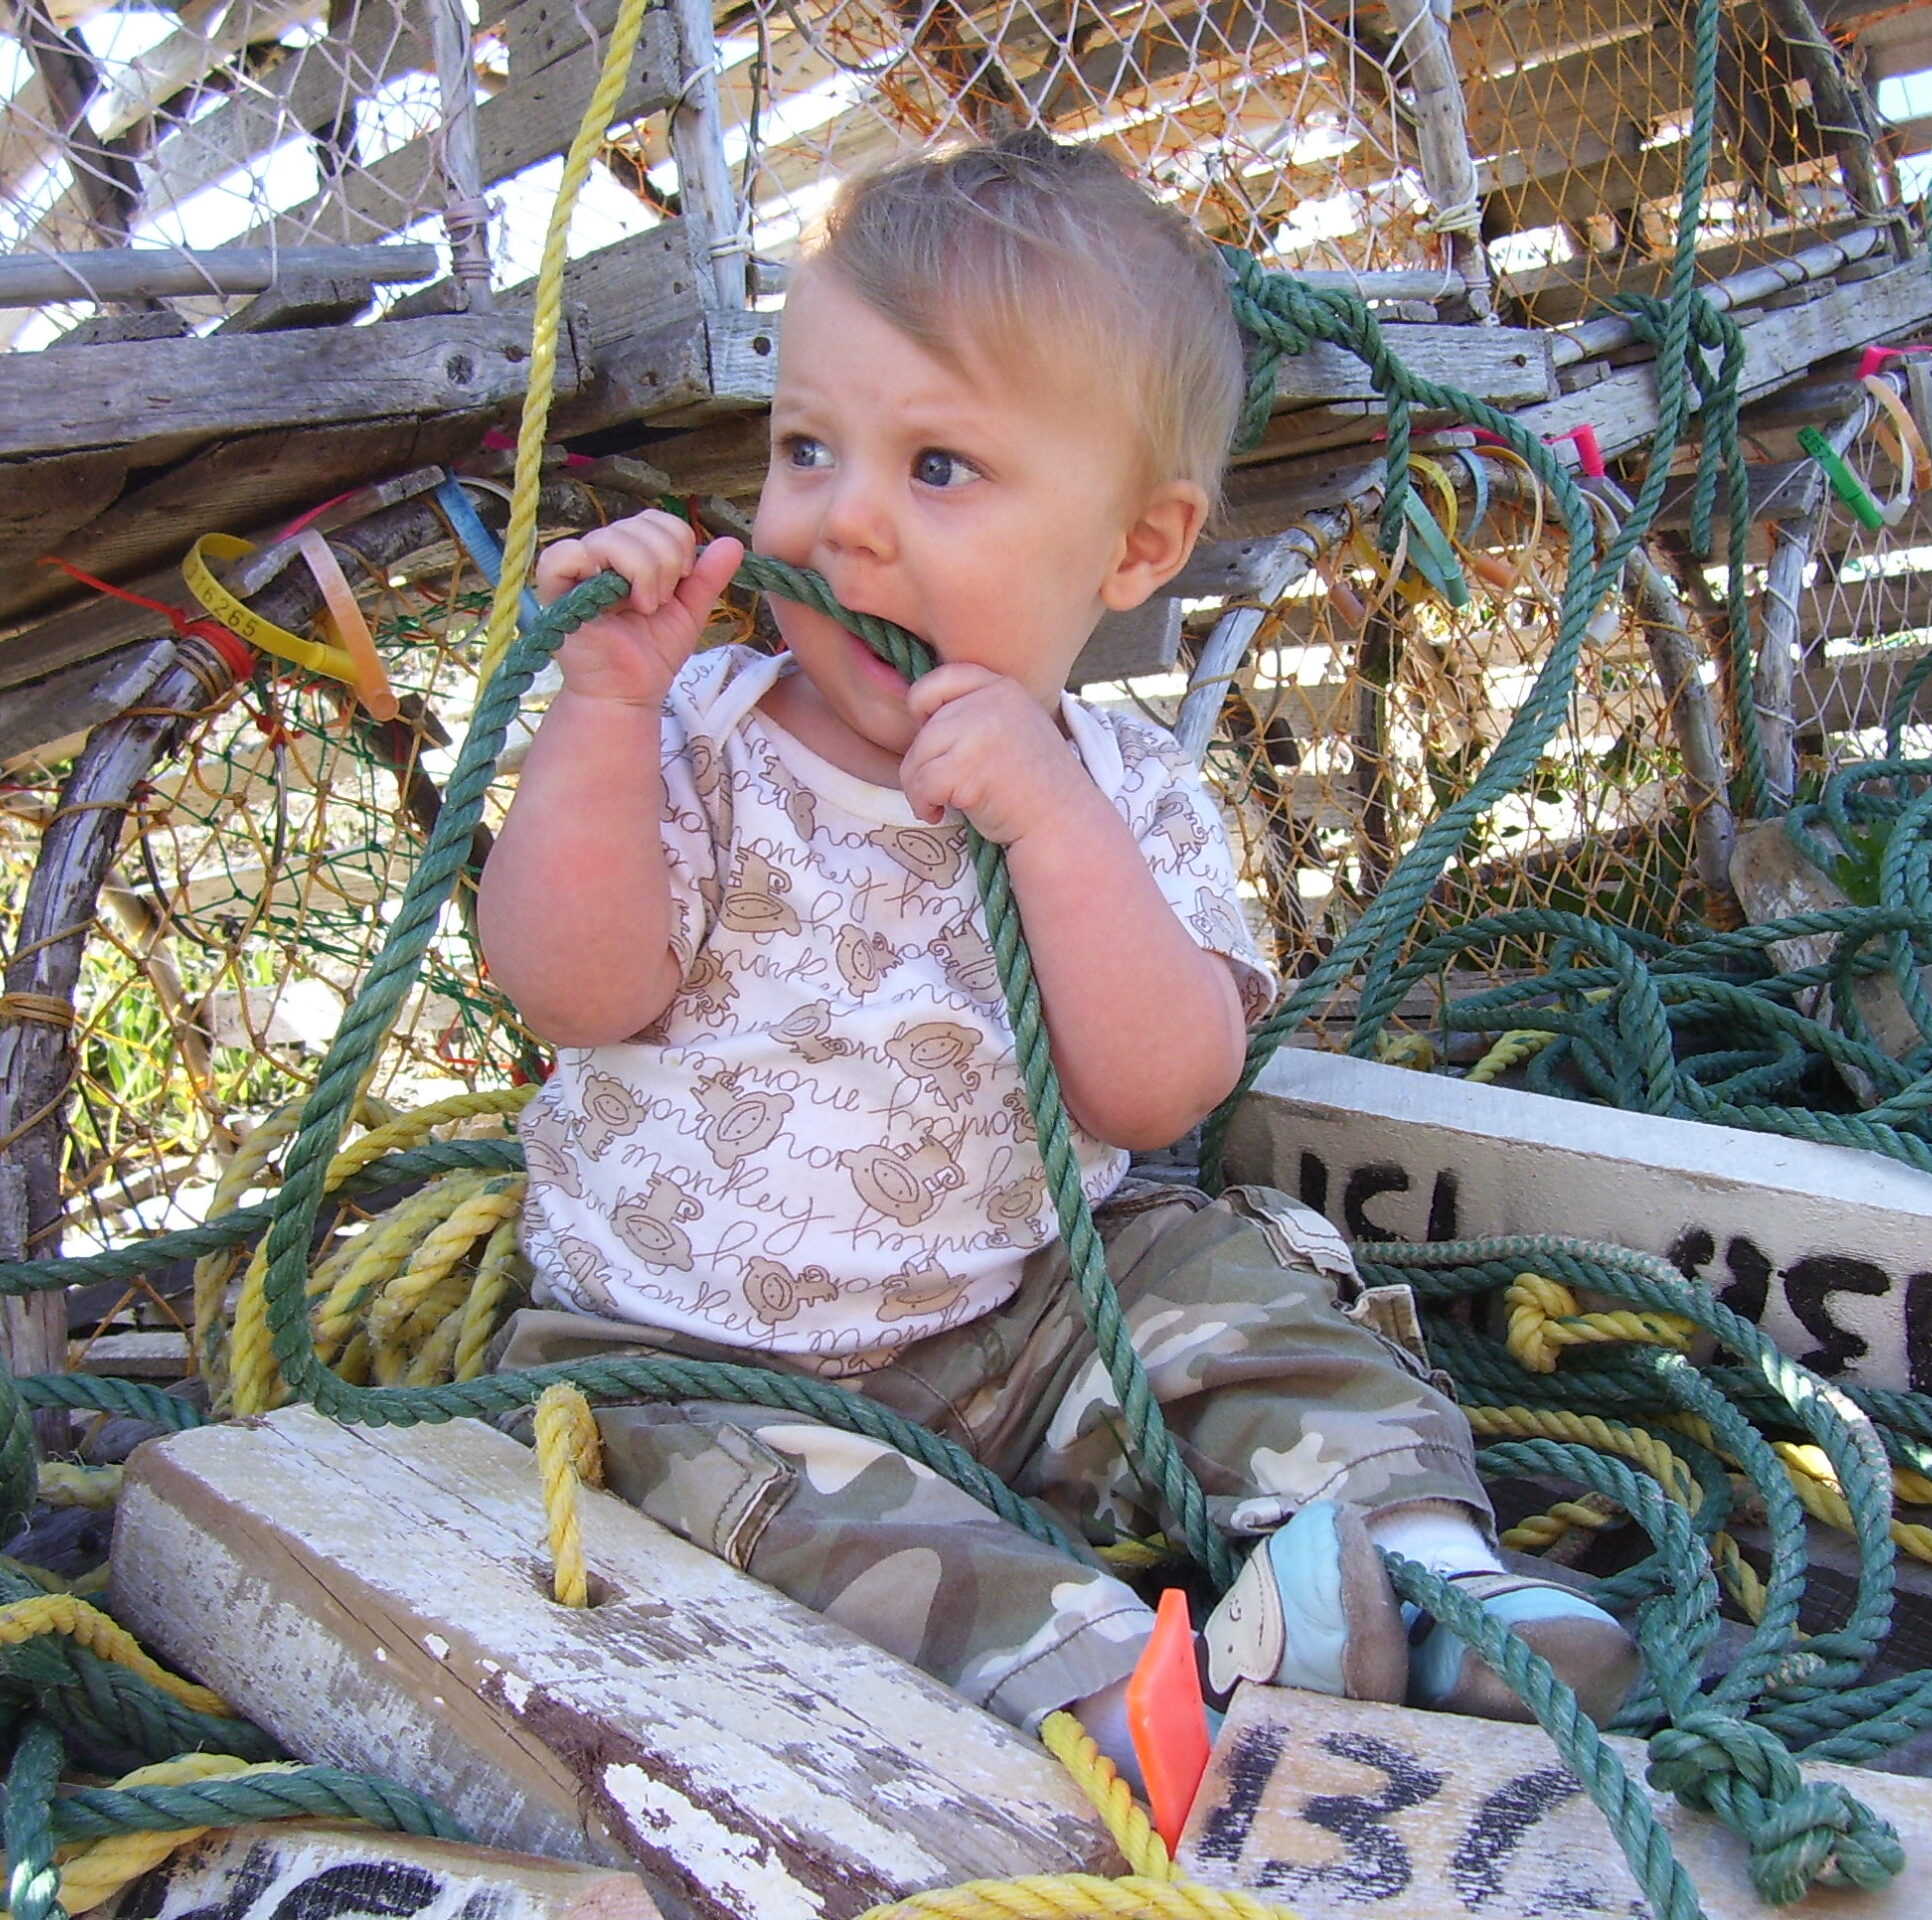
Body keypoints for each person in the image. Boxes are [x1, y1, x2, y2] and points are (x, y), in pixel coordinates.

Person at [474, 128, 1639, 1774]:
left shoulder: (1129, 797)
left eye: (938, 469)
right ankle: (1112, 1692)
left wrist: (1054, 831)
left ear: (1135, 551)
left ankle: (1427, 1580)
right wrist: (599, 712)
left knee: (1224, 1278)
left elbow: (1158, 1091)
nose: (846, 526)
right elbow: (569, 989)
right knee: (789, 1514)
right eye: (808, 448)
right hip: (693, 1355)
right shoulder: (692, 742)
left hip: (1027, 1318)